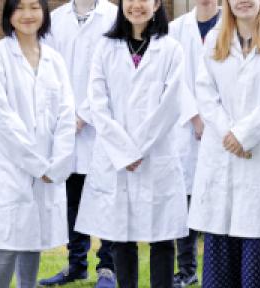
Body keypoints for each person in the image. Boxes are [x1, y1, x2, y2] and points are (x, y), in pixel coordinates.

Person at [72, 0, 198, 287]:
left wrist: (136, 149)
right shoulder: (105, 48)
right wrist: (123, 150)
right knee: (121, 237)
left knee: (162, 238)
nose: (136, 5)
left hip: (156, 155)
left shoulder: (170, 49)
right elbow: (97, 103)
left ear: (157, 5)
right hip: (116, 158)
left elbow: (171, 104)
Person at [186, 0, 260, 286]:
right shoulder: (213, 40)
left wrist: (244, 135)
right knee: (218, 270)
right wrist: (229, 135)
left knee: (254, 270)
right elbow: (205, 94)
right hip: (221, 156)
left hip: (258, 159)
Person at [0, 0, 76, 287]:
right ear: (9, 15)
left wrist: (57, 162)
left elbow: (66, 114)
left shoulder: (54, 60)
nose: (27, 15)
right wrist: (37, 164)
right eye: (19, 8)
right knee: (7, 242)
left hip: (49, 165)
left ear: (44, 13)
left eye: (34, 7)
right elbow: (1, 118)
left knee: (33, 239)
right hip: (12, 166)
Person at [38, 0, 119, 286]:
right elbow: (47, 71)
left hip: (102, 125)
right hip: (65, 126)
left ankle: (107, 267)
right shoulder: (55, 20)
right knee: (71, 199)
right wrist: (63, 117)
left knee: (106, 198)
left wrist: (83, 115)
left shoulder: (114, 16)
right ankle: (76, 265)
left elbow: (113, 72)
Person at [166, 0, 218, 286]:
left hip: (221, 128)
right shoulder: (175, 29)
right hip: (184, 127)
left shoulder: (230, 26)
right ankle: (187, 270)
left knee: (213, 200)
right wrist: (195, 117)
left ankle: (214, 268)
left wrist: (212, 119)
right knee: (184, 202)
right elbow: (173, 79)